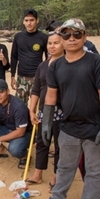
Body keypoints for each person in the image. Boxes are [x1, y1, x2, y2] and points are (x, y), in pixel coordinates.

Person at [38, 18, 100, 199]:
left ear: (84, 37)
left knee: (95, 171)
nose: (72, 39)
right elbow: (51, 96)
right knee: (65, 166)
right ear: (60, 38)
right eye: (67, 35)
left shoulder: (97, 62)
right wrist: (46, 123)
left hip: (94, 126)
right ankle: (58, 197)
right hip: (68, 125)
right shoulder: (56, 65)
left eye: (77, 34)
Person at [26, 31, 64, 189]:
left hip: (62, 112)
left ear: (63, 44)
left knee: (60, 145)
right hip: (43, 111)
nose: (52, 46)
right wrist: (32, 110)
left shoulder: (66, 63)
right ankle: (38, 174)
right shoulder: (42, 65)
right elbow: (36, 89)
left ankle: (57, 176)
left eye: (56, 43)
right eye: (49, 43)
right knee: (42, 142)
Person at [10, 9, 48, 104]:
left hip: (37, 77)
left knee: (36, 105)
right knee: (19, 105)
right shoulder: (18, 37)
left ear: (37, 20)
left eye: (31, 20)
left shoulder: (43, 37)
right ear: (23, 21)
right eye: (26, 20)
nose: (29, 23)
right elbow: (14, 56)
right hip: (22, 77)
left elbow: (48, 58)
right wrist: (12, 76)